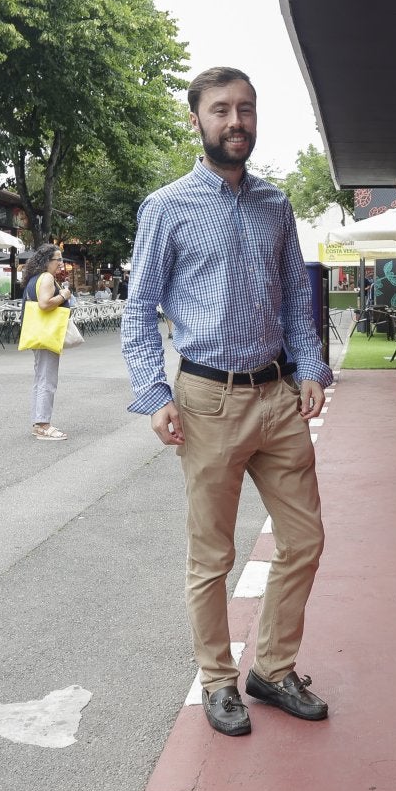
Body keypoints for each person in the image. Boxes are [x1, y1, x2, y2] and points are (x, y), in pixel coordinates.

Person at [121, 66, 334, 737]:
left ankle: (271, 667)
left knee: (305, 538)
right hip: (207, 400)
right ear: (197, 120)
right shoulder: (167, 206)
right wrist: (154, 391)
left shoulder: (275, 205)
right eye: (221, 110)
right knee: (211, 556)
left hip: (276, 397)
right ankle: (217, 680)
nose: (235, 121)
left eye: (245, 108)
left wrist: (312, 367)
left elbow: (298, 299)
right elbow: (138, 310)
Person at [22, 243, 73, 441]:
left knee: (41, 378)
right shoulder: (47, 278)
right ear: (47, 261)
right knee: (47, 380)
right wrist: (64, 295)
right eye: (58, 259)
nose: (61, 263)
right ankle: (43, 425)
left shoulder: (35, 278)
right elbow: (44, 304)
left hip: (38, 333)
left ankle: (39, 422)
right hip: (46, 334)